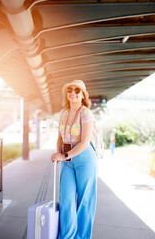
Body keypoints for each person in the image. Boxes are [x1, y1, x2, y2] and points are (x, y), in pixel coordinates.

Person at [51, 80, 97, 239]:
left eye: (77, 90)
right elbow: (59, 138)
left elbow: (84, 142)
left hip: (84, 159)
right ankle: (66, 236)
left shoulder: (85, 113)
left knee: (84, 202)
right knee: (66, 200)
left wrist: (64, 156)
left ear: (83, 94)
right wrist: (59, 155)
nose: (73, 93)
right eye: (69, 90)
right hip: (67, 160)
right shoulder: (63, 113)